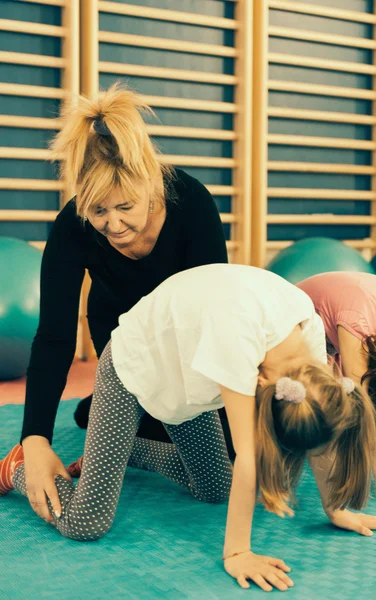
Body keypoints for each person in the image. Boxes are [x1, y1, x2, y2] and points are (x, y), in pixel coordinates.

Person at [2, 265, 376, 592]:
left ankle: (128, 450)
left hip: (190, 381)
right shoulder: (239, 345)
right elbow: (249, 456)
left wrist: (335, 509)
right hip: (133, 370)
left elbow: (321, 435)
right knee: (85, 523)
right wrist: (237, 553)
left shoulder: (309, 341)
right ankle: (15, 468)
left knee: (216, 489)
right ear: (263, 388)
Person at [18, 83, 228, 525]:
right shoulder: (71, 227)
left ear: (151, 183)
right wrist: (34, 440)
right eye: (98, 211)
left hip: (183, 343)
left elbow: (213, 316)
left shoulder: (192, 204)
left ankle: (108, 419)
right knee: (143, 416)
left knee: (228, 453)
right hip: (121, 337)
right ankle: (106, 414)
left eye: (126, 208)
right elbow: (54, 337)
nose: (113, 225)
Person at [297, 271, 376, 509]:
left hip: (328, 334)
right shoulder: (358, 321)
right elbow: (363, 405)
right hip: (288, 332)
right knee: (342, 409)